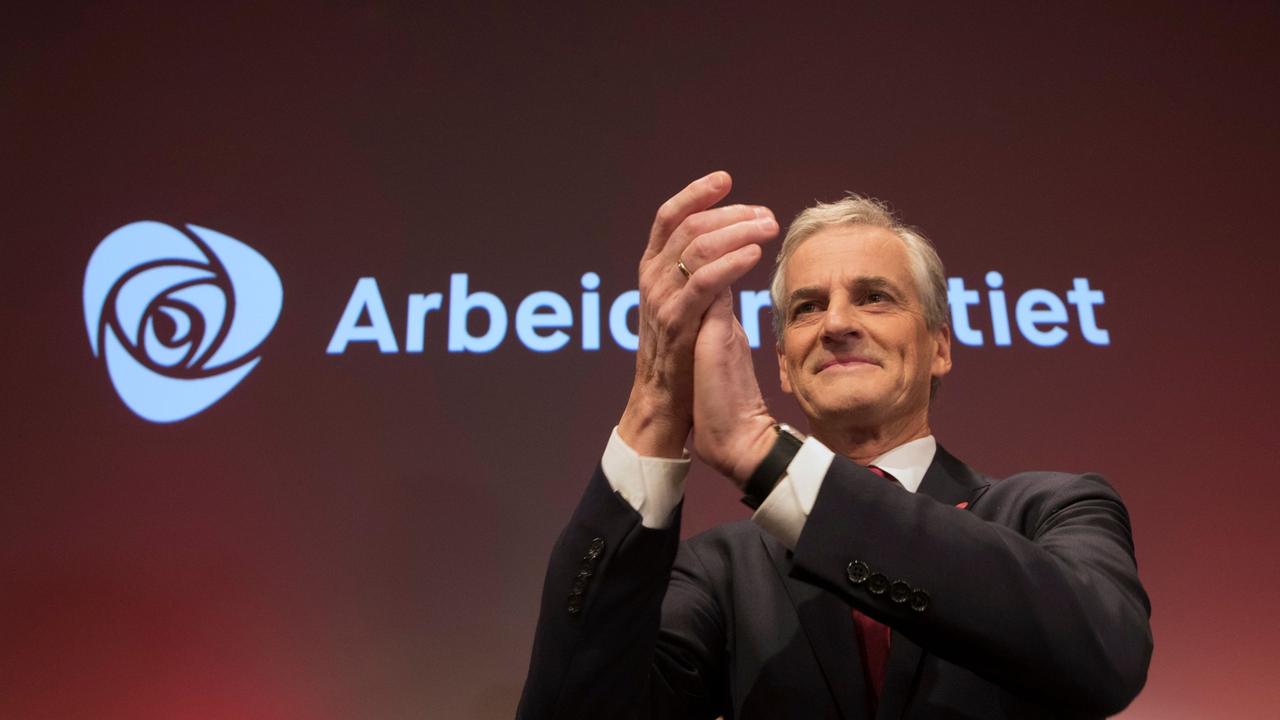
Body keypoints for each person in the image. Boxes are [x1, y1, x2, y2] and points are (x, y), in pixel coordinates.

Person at [517, 171, 1152, 719]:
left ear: (939, 346)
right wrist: (656, 401)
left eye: (874, 298)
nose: (838, 324)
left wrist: (767, 455)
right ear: (784, 365)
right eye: (807, 308)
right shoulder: (719, 571)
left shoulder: (1053, 510)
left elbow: (1106, 654)